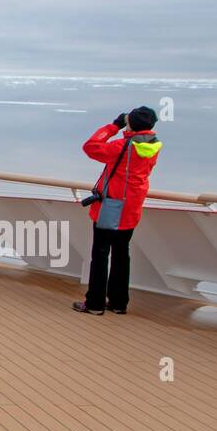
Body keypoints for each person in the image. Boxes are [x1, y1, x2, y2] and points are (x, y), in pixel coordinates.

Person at [72, 107, 162, 316]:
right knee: (122, 254)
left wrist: (114, 126)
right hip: (131, 208)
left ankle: (94, 304)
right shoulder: (154, 146)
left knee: (101, 255)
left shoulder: (122, 146)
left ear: (131, 123)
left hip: (111, 206)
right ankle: (119, 303)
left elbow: (91, 147)